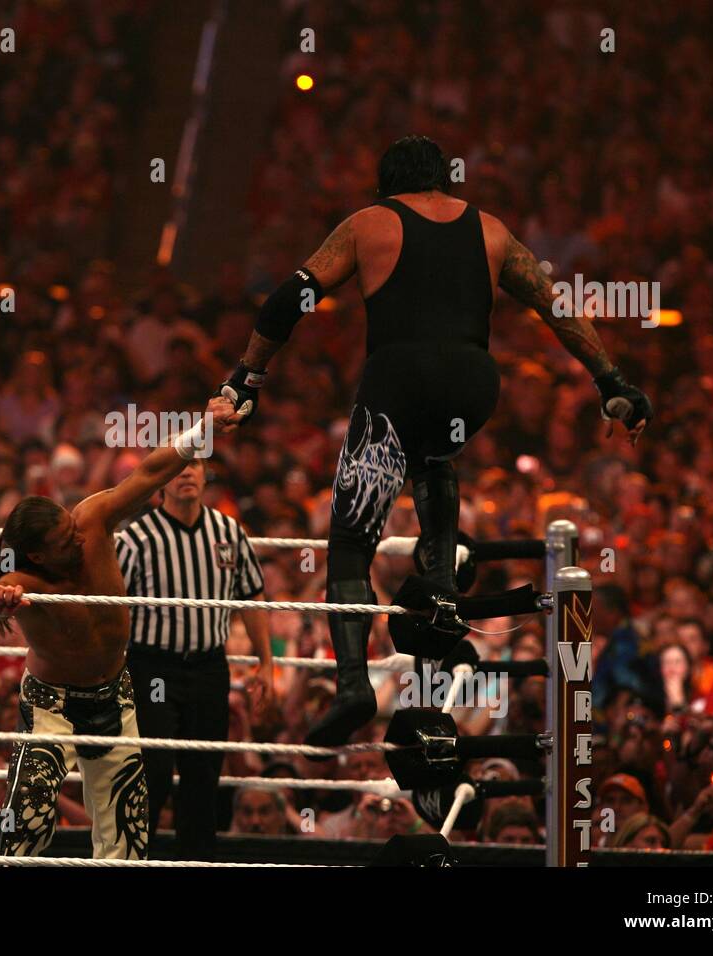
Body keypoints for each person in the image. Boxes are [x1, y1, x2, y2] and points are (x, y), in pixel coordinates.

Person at [218, 135, 653, 747]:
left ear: (387, 183)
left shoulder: (372, 222)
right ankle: (443, 601)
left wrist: (248, 376)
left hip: (399, 379)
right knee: (435, 461)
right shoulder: (492, 230)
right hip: (474, 384)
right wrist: (612, 381)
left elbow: (291, 300)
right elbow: (557, 306)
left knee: (350, 538)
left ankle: (351, 684)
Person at [0, 396, 237, 859]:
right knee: (27, 823)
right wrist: (0, 602)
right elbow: (1, 597)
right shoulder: (28, 580)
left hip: (114, 696)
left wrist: (203, 428)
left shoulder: (92, 520)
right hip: (51, 704)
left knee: (127, 834)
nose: (78, 537)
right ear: (39, 555)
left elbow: (148, 472)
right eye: (65, 540)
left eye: (71, 525)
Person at [117, 455, 274, 860]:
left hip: (209, 666)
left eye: (196, 465)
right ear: (160, 482)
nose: (187, 472)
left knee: (203, 773)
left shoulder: (228, 531)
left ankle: (197, 859)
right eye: (178, 467)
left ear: (206, 476)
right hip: (153, 667)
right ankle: (135, 857)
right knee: (152, 770)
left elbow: (252, 597)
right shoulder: (136, 537)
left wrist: (266, 662)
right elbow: (110, 606)